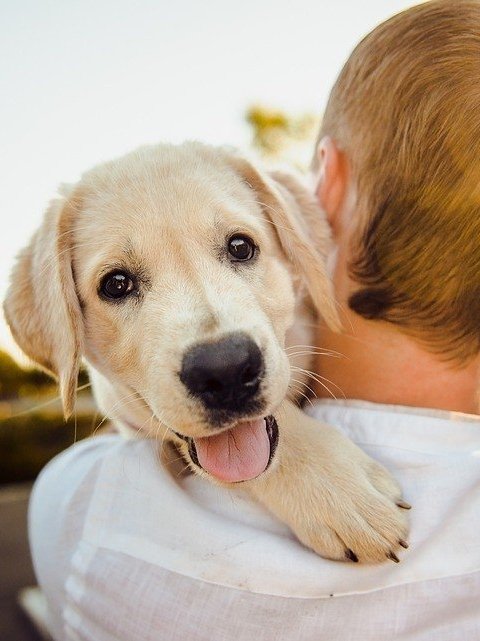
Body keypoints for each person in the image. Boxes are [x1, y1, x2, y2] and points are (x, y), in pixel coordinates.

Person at [28, 1, 480, 639]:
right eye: (120, 283)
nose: (214, 347)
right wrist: (285, 447)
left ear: (315, 209)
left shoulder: (77, 511)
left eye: (239, 250)